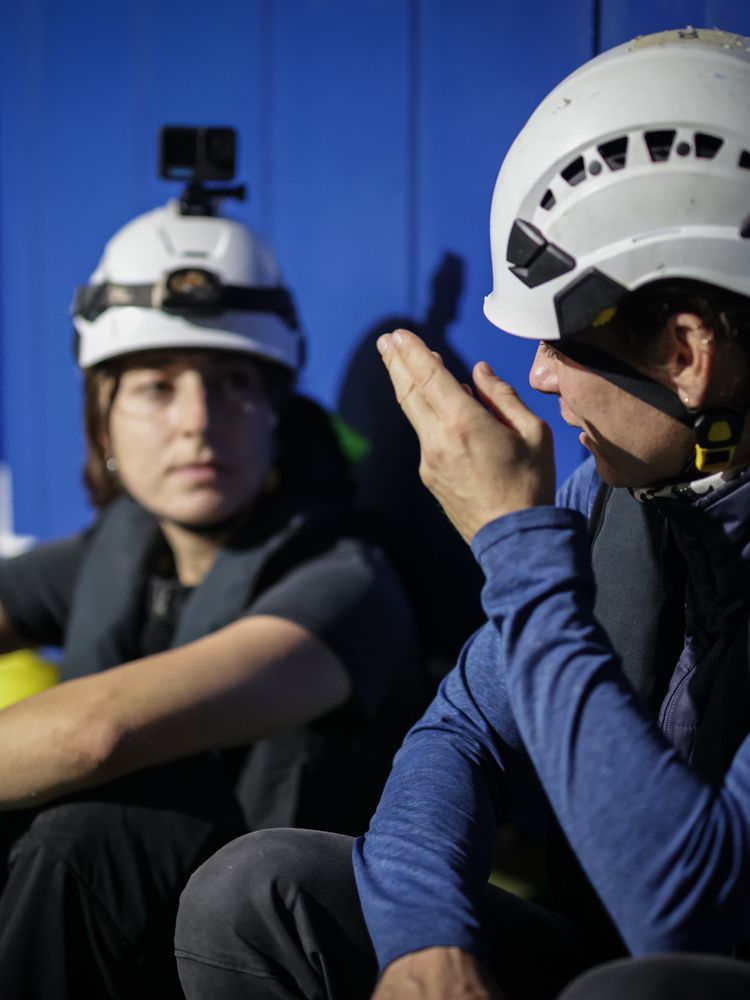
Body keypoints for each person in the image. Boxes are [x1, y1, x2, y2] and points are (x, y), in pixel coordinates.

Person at [174, 26, 750, 1000]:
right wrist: (422, 935)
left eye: (562, 341)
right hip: (598, 949)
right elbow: (459, 737)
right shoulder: (617, 497)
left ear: (689, 354)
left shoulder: (566, 516)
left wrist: (512, 545)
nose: (538, 376)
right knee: (256, 890)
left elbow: (691, 905)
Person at [0, 194, 422, 999]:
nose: (198, 421)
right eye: (156, 387)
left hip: (269, 952)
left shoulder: (344, 581)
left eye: (233, 383)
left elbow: (96, 735)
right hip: (125, 940)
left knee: (86, 838)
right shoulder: (118, 552)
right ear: (103, 425)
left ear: (275, 413)